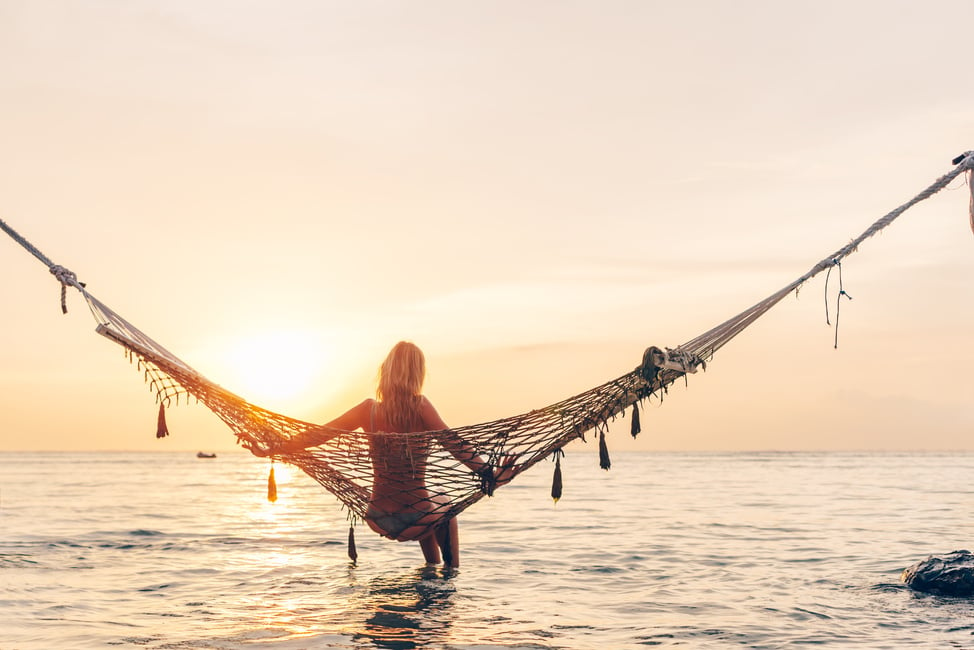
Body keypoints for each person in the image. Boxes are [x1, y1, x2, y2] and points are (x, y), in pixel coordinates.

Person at [246, 341, 515, 567]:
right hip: (417, 517)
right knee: (443, 506)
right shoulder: (420, 406)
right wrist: (490, 474)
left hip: (380, 517)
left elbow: (318, 434)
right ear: (417, 374)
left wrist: (274, 448)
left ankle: (431, 567)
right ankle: (448, 576)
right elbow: (453, 443)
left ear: (385, 371)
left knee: (431, 506)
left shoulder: (369, 410)